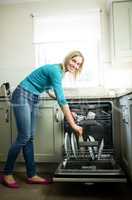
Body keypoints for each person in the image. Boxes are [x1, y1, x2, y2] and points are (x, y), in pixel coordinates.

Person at [1, 50, 84, 188]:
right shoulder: (55, 71)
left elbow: (50, 91)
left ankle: (31, 175)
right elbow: (62, 100)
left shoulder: (61, 73)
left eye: (78, 64)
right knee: (24, 136)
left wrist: (69, 111)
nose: (75, 65)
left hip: (33, 98)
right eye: (74, 61)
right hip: (22, 95)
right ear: (68, 58)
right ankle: (7, 173)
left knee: (30, 137)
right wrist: (74, 125)